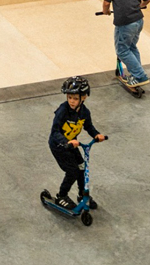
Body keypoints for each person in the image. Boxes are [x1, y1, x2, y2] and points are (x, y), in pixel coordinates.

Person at [48, 76, 107, 210]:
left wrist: (96, 135)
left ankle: (82, 195)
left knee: (82, 167)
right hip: (59, 146)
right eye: (69, 98)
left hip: (72, 144)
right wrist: (66, 141)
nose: (72, 101)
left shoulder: (84, 112)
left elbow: (89, 126)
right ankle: (61, 196)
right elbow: (55, 131)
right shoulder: (63, 111)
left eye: (75, 98)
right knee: (73, 171)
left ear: (84, 97)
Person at [103, 0, 150, 88]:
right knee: (131, 47)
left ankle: (139, 75)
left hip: (125, 22)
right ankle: (137, 74)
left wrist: (105, 11)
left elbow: (106, 2)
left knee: (122, 50)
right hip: (138, 20)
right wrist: (139, 5)